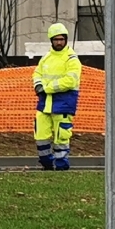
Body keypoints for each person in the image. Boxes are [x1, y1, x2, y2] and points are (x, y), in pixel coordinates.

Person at [33, 23, 82, 171]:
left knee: (61, 137)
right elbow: (37, 73)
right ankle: (47, 164)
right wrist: (37, 85)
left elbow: (70, 81)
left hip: (64, 103)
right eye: (56, 39)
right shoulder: (46, 58)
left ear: (66, 39)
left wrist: (46, 88)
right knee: (40, 135)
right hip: (45, 103)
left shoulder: (71, 59)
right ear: (51, 40)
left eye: (61, 39)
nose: (59, 42)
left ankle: (61, 167)